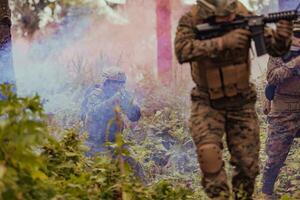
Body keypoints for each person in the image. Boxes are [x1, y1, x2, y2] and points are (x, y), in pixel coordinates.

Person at [174, 0, 293, 199]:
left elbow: (275, 50)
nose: (227, 18)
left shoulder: (243, 13)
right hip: (207, 101)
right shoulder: (191, 18)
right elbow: (182, 51)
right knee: (209, 154)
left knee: (248, 165)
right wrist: (222, 42)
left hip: (241, 101)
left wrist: (282, 35)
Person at [262, 20, 300, 200]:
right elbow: (272, 77)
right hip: (284, 110)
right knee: (275, 156)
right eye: (297, 35)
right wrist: (295, 64)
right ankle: (266, 193)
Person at [80, 67, 141, 155]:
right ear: (107, 82)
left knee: (133, 162)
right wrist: (110, 102)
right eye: (116, 82)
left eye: (121, 83)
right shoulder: (96, 94)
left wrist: (131, 105)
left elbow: (134, 117)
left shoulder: (122, 94)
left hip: (115, 141)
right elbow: (92, 113)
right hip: (95, 141)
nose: (119, 86)